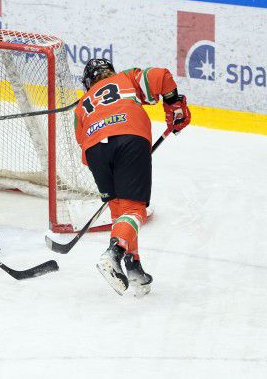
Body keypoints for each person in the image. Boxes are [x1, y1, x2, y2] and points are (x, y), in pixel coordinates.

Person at [75, 58, 191, 297]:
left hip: (95, 150)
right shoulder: (126, 77)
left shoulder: (82, 105)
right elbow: (162, 76)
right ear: (110, 71)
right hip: (129, 137)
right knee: (136, 210)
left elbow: (82, 146)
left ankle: (134, 268)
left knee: (120, 210)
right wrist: (173, 104)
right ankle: (114, 253)